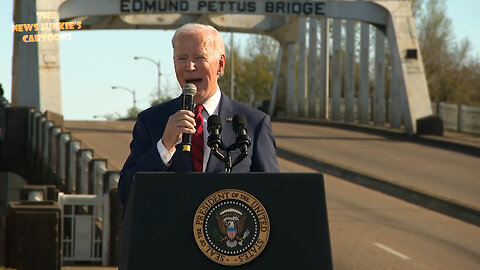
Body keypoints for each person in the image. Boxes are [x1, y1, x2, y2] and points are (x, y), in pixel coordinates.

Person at [118, 23, 279, 206]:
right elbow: (125, 194)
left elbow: (273, 196)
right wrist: (164, 147)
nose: (190, 66)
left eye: (199, 57)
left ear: (220, 64)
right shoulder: (151, 121)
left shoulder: (254, 123)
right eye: (182, 58)